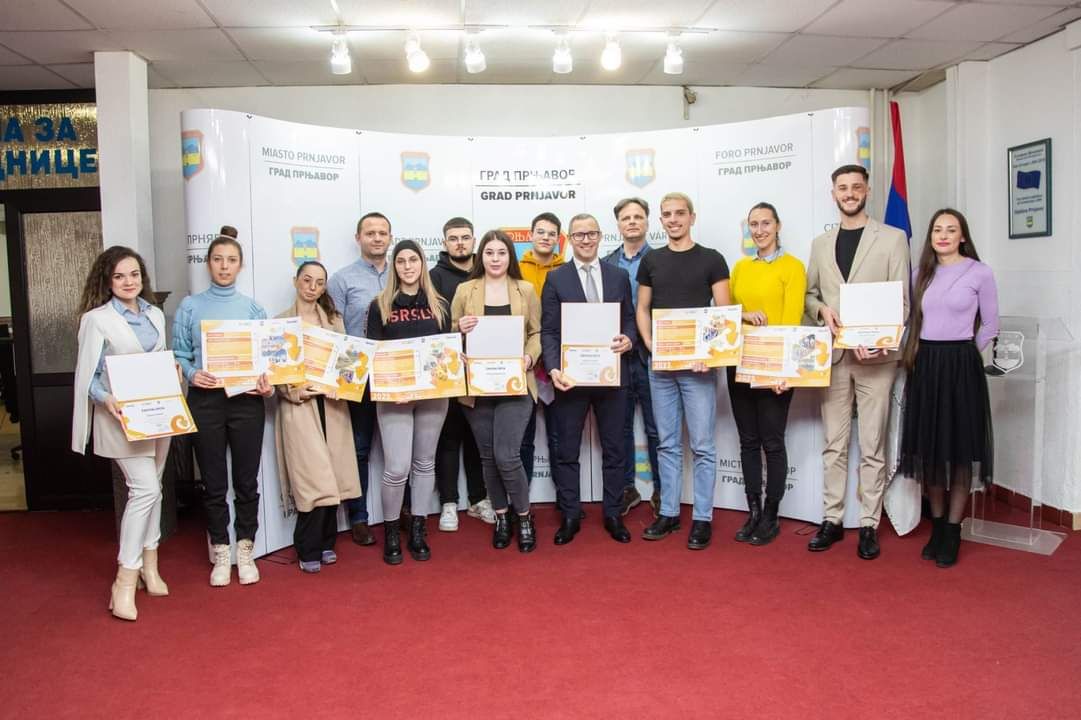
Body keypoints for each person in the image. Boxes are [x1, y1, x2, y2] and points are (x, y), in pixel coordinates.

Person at [804, 164, 910, 560]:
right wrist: (821, 311)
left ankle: (869, 523)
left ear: (867, 191)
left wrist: (881, 341)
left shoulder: (893, 239)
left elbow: (902, 301)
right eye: (842, 188)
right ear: (833, 193)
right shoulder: (820, 244)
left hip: (876, 360)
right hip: (834, 356)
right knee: (833, 444)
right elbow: (810, 295)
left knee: (872, 444)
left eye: (856, 187)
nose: (849, 193)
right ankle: (831, 519)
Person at [72, 246, 171, 621]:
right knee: (145, 490)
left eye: (134, 274)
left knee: (155, 487)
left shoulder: (155, 314)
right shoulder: (96, 320)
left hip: (157, 416)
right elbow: (87, 376)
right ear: (107, 280)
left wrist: (173, 370)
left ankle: (150, 565)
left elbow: (159, 358)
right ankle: (124, 580)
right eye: (119, 276)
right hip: (118, 418)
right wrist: (106, 399)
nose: (128, 282)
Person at [899, 209, 997, 568]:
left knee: (958, 451)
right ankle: (938, 526)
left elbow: (991, 324)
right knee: (931, 450)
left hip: (961, 367)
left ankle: (953, 531)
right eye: (937, 229)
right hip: (926, 364)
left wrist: (968, 353)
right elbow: (910, 323)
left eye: (951, 230)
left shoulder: (980, 272)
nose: (943, 235)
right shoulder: (919, 274)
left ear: (962, 236)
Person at [174, 235, 274, 587]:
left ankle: (245, 549)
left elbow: (268, 361)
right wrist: (191, 373)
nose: (224, 266)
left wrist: (267, 385)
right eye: (218, 259)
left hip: (246, 401)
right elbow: (180, 354)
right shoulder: (190, 306)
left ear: (240, 265)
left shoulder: (253, 309)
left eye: (231, 260)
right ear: (208, 263)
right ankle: (220, 550)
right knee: (214, 482)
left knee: (246, 481)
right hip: (206, 401)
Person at [636, 192, 731, 550]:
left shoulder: (712, 259)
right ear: (661, 220)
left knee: (703, 446)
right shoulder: (652, 260)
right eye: (667, 215)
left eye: (679, 213)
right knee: (668, 444)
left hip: (699, 368)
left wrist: (711, 354)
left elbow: (723, 313)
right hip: (660, 367)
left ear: (692, 217)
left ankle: (703, 517)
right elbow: (642, 308)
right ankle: (669, 513)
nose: (673, 219)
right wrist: (650, 345)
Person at [542, 213, 636, 545]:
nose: (586, 240)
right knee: (567, 449)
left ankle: (613, 514)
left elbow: (629, 319)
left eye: (591, 233)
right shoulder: (556, 278)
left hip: (612, 374)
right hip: (571, 377)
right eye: (579, 235)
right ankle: (570, 515)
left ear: (600, 236)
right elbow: (549, 331)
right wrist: (553, 368)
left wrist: (629, 339)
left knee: (615, 448)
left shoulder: (618, 276)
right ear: (569, 239)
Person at [452, 230, 540, 553]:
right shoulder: (466, 290)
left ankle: (524, 517)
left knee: (507, 455)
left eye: (501, 252)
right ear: (481, 256)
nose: (495, 258)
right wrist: (458, 330)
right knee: (488, 457)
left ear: (509, 256)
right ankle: (501, 517)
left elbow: (537, 332)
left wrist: (530, 357)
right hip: (477, 387)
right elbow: (449, 333)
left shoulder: (525, 289)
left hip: (515, 385)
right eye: (489, 252)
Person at [274, 261, 362, 573]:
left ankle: (327, 543)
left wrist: (343, 385)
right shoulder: (280, 323)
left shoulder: (334, 321)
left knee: (334, 474)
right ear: (295, 281)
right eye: (307, 280)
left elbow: (348, 363)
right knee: (312, 478)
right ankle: (307, 546)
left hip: (333, 406)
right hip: (301, 407)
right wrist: (294, 391)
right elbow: (276, 371)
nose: (312, 287)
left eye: (319, 282)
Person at [727, 202, 806, 546]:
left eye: (765, 223)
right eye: (754, 224)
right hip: (740, 364)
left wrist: (784, 371)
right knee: (748, 441)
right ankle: (754, 512)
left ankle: (771, 515)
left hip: (776, 368)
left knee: (772, 441)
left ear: (778, 226)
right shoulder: (740, 267)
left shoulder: (793, 267)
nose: (759, 230)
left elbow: (792, 320)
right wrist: (743, 314)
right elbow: (729, 312)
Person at [367, 240, 450, 565]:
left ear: (422, 263)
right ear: (394, 266)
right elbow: (373, 355)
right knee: (397, 468)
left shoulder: (439, 304)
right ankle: (391, 531)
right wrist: (390, 388)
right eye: (401, 261)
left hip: (433, 396)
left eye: (413, 260)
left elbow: (445, 352)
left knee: (425, 463)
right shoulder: (380, 305)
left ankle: (418, 529)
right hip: (395, 398)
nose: (407, 266)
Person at [327, 212, 390, 547]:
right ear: (358, 238)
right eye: (370, 233)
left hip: (396, 374)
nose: (376, 238)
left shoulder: (403, 271)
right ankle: (359, 517)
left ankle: (405, 510)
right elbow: (334, 331)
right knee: (360, 447)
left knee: (398, 448)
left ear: (390, 238)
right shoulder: (341, 280)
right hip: (358, 374)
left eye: (382, 233)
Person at [429, 217, 495, 531]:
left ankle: (479, 499)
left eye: (465, 237)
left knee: (476, 437)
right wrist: (456, 329)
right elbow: (432, 324)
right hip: (449, 370)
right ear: (444, 243)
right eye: (453, 238)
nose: (460, 243)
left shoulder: (487, 272)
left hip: (484, 369)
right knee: (449, 436)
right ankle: (449, 503)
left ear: (473, 240)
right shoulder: (433, 277)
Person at [602, 197, 659, 516]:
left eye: (638, 216)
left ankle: (663, 490)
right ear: (619, 224)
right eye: (626, 218)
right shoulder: (607, 263)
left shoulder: (662, 260)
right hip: (617, 356)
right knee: (619, 428)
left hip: (652, 354)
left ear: (647, 221)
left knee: (657, 427)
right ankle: (626, 488)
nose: (632, 222)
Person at [517, 212, 564, 485]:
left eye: (551, 233)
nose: (546, 237)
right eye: (541, 232)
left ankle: (564, 497)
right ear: (531, 235)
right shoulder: (515, 270)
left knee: (560, 435)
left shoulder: (566, 269)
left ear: (558, 239)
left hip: (557, 361)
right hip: (525, 360)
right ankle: (521, 499)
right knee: (524, 435)